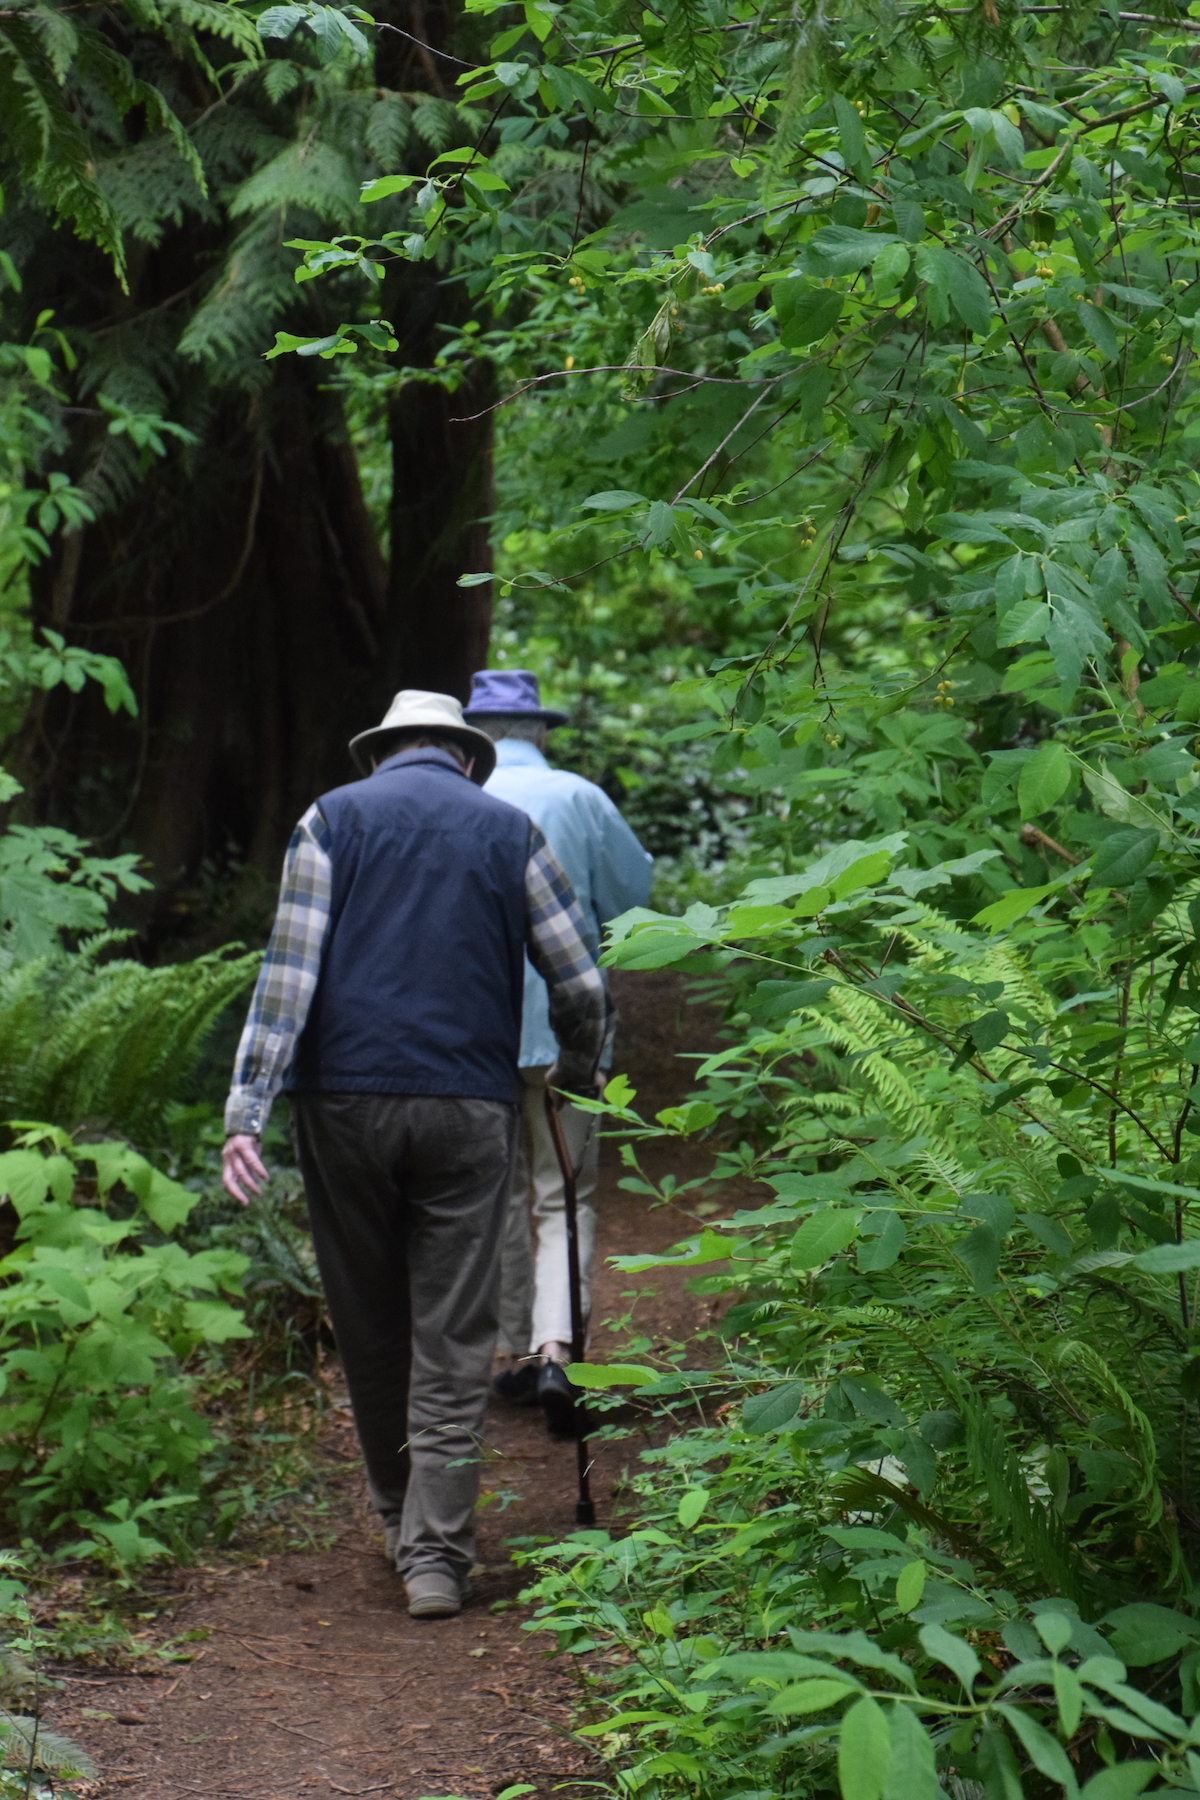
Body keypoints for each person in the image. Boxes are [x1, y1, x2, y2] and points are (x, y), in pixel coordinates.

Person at [220, 690, 606, 1621]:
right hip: (468, 1107)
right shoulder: (509, 830)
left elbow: (287, 975)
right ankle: (437, 1558)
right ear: (465, 757)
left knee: (370, 1324)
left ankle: (400, 1520)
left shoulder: (330, 819)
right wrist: (577, 1071)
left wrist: (247, 1109)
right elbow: (581, 981)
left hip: (341, 1105)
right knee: (454, 1332)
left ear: (380, 754)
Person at [463, 669, 652, 1436]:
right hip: (568, 1029)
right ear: (542, 730)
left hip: (477, 1033)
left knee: (502, 1194)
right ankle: (556, 1351)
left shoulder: (462, 800)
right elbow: (633, 901)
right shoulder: (580, 797)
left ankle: (511, 1353)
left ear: (472, 734)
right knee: (562, 1192)